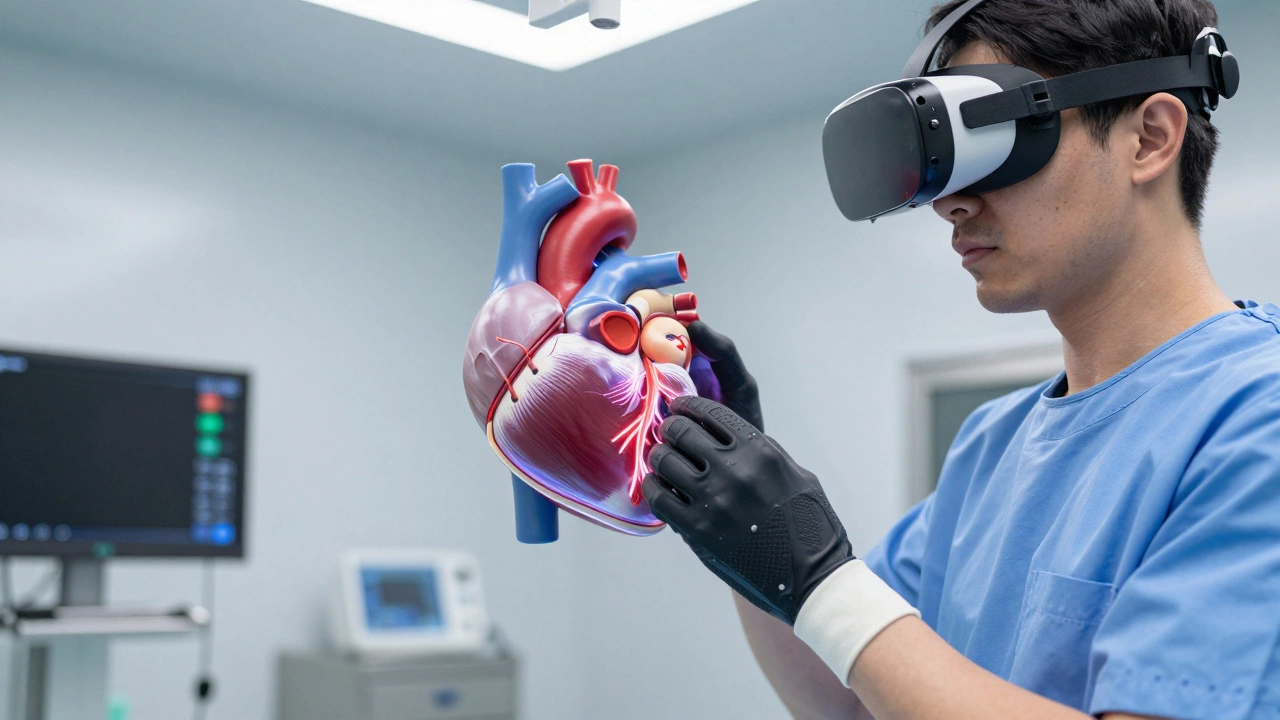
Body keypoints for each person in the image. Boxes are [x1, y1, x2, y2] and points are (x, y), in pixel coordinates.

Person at [641, 1, 1280, 718]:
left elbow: (845, 613)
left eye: (997, 136)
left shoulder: (1259, 416)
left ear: (1150, 138)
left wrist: (823, 581)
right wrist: (747, 536)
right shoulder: (990, 445)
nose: (951, 202)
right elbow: (851, 700)